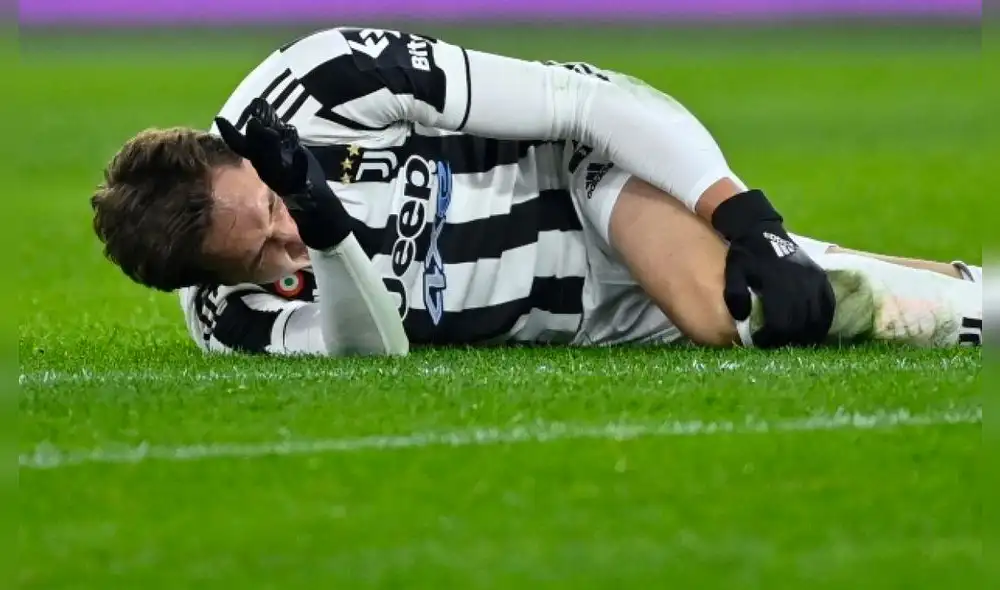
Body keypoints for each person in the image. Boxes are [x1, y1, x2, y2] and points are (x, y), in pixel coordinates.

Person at [89, 27, 982, 357]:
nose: (282, 250)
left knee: (733, 308)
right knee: (789, 299)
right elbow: (376, 351)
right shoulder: (229, 323)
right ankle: (950, 291)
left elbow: (580, 99)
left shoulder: (321, 82)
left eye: (273, 214)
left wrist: (753, 220)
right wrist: (322, 231)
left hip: (585, 191)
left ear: (232, 152)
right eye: (260, 261)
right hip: (576, 317)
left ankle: (859, 287)